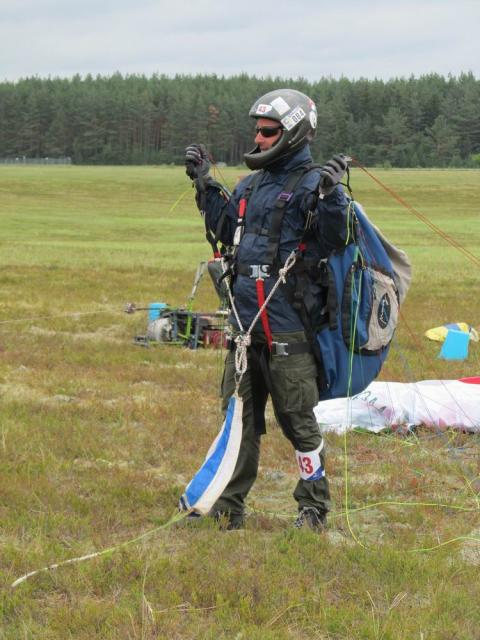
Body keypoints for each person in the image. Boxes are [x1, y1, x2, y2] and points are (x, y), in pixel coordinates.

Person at [184, 89, 349, 531]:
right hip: (244, 329)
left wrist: (333, 196)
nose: (257, 138)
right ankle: (227, 507)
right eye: (257, 130)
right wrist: (204, 183)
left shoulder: (314, 185)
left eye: (268, 131)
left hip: (288, 330)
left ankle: (313, 508)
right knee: (238, 418)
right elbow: (226, 230)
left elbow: (336, 238)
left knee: (298, 422)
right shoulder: (250, 186)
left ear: (292, 132)